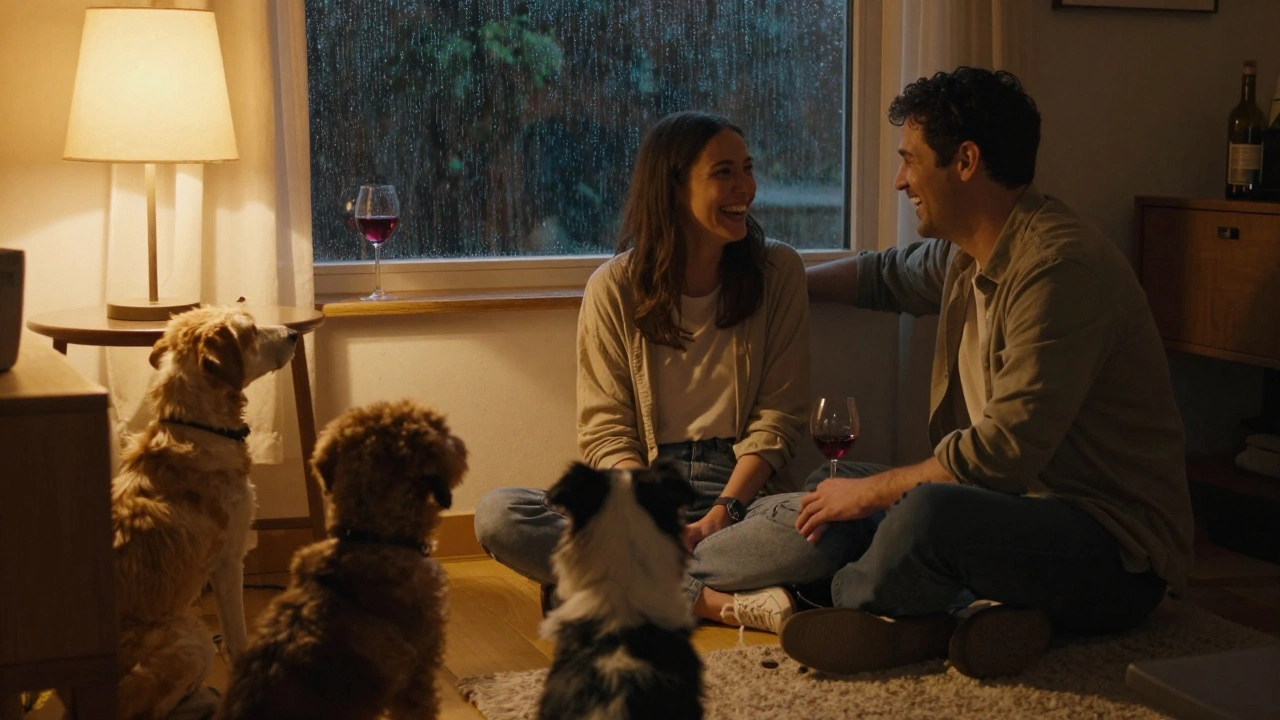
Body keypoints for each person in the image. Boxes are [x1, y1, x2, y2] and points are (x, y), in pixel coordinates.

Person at [774, 66, 1195, 679]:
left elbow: (1002, 454)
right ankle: (978, 617)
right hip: (1015, 515)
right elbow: (881, 275)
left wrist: (874, 494)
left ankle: (838, 609)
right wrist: (774, 288)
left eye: (910, 161)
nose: (899, 180)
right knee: (832, 479)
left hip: (1115, 555)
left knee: (924, 516)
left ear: (965, 160)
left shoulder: (1059, 270)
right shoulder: (966, 254)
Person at [474, 110, 850, 634]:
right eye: (724, 172)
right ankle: (711, 604)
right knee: (500, 515)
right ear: (672, 187)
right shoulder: (613, 288)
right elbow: (607, 433)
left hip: (740, 496)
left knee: (832, 530)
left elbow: (779, 418)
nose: (748, 186)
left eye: (748, 168)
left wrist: (723, 512)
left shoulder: (777, 272)